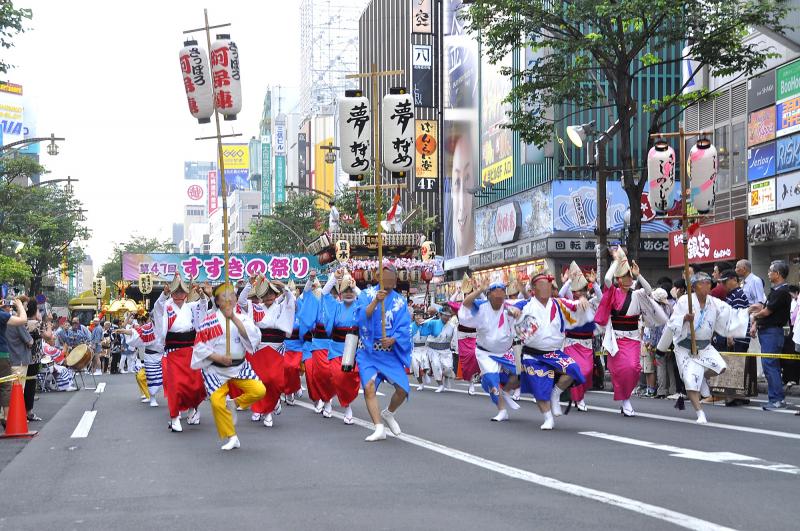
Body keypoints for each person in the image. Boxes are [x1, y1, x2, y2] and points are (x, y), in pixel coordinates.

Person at [191, 284, 266, 451]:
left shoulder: (243, 317)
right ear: (217, 301)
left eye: (232, 295)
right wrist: (218, 357)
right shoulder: (210, 321)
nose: (229, 298)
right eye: (224, 296)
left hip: (240, 367)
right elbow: (199, 347)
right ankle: (232, 437)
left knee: (259, 390)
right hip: (215, 370)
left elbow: (253, 337)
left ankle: (234, 403)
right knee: (217, 403)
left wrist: (233, 318)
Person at [667, 272, 749, 423]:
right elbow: (672, 322)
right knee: (690, 381)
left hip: (705, 346)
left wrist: (748, 312)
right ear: (693, 286)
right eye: (701, 283)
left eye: (708, 283)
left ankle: (702, 375)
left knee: (721, 367)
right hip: (686, 348)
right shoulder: (685, 301)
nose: (705, 286)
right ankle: (700, 413)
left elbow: (730, 314)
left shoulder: (714, 302)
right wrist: (685, 318)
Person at [596, 248, 667, 417]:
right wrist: (616, 260)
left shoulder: (638, 294)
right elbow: (606, 278)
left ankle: (626, 397)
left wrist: (639, 274)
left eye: (630, 276)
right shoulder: (612, 292)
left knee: (634, 368)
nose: (628, 279)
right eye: (624, 276)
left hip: (633, 339)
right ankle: (625, 400)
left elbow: (650, 291)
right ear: (618, 279)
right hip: (616, 339)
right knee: (619, 371)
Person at [517, 270, 592, 430]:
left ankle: (556, 393)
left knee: (573, 369)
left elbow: (575, 306)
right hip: (533, 353)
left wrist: (583, 299)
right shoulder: (526, 304)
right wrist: (513, 312)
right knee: (539, 387)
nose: (545, 289)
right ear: (533, 289)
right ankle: (548, 417)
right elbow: (509, 309)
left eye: (548, 285)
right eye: (541, 285)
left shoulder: (559, 303)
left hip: (554, 352)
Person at [356, 264, 413, 441]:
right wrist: (376, 301)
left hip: (389, 352)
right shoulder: (366, 295)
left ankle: (389, 413)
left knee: (403, 390)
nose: (389, 281)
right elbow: (361, 317)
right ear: (377, 277)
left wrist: (394, 339)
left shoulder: (400, 301)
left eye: (392, 278)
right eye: (385, 277)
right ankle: (378, 427)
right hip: (368, 352)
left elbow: (405, 326)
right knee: (368, 387)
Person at [458, 275, 523, 422]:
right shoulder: (481, 306)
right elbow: (466, 304)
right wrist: (480, 289)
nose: (500, 293)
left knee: (521, 375)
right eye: (496, 290)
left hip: (506, 351)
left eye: (502, 290)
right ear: (489, 294)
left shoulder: (510, 306)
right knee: (493, 382)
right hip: (485, 353)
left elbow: (530, 303)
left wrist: (518, 312)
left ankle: (506, 391)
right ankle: (502, 410)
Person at [237, 276, 295, 428]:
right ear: (261, 296)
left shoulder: (281, 307)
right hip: (260, 348)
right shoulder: (256, 308)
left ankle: (273, 403)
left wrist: (284, 287)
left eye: (271, 293)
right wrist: (249, 285)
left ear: (276, 295)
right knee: (262, 381)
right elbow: (242, 302)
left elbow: (291, 301)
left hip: (277, 348)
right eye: (265, 294)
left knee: (275, 381)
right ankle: (266, 411)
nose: (268, 296)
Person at [154, 276, 209, 432]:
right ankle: (175, 417)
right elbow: (157, 308)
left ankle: (193, 409)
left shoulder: (191, 306)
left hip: (190, 351)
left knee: (195, 385)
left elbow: (203, 306)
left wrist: (203, 294)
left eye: (181, 293)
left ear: (186, 294)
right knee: (175, 386)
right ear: (171, 294)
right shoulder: (166, 306)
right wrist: (163, 295)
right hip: (173, 352)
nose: (178, 296)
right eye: (175, 293)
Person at [558, 262, 602, 411]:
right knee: (575, 370)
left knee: (588, 370)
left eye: (583, 290)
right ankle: (579, 399)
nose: (581, 293)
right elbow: (560, 295)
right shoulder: (569, 303)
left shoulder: (590, 303)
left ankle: (579, 395)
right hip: (571, 343)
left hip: (587, 344)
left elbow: (601, 299)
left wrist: (594, 283)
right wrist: (569, 281)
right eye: (578, 290)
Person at [749, 260, 792, 411]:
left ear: (778, 274)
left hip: (772, 332)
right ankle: (775, 398)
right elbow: (766, 310)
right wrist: (756, 323)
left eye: (770, 271)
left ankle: (777, 399)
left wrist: (754, 317)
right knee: (770, 365)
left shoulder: (782, 292)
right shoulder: (776, 291)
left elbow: (767, 311)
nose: (768, 273)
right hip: (768, 331)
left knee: (770, 365)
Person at [324, 269, 362, 424]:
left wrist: (355, 287)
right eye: (345, 290)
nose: (348, 293)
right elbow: (325, 294)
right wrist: (335, 278)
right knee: (336, 376)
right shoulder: (336, 306)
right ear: (340, 293)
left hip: (351, 349)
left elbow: (367, 298)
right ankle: (338, 404)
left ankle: (347, 405)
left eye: (350, 290)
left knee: (347, 378)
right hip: (335, 348)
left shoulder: (359, 305)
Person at [115, 312, 163, 407]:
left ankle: (175, 398)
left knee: (169, 378)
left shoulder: (165, 325)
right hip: (149, 357)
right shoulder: (146, 328)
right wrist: (124, 331)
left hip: (164, 355)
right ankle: (151, 397)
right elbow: (133, 332)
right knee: (146, 377)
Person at [2, 298, 31, 425]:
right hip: (13, 359)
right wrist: (20, 306)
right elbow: (29, 341)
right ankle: (11, 418)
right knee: (11, 389)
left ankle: (4, 416)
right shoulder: (7, 319)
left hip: (9, 359)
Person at [426, 306, 457, 392]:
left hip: (446, 350)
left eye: (448, 316)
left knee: (448, 367)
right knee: (436, 367)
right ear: (440, 315)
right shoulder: (432, 323)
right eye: (445, 315)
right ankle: (440, 385)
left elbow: (454, 339)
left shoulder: (452, 326)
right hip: (433, 349)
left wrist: (455, 348)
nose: (447, 317)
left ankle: (446, 378)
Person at [410, 310, 432, 391]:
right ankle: (420, 383)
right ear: (414, 316)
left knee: (425, 363)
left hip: (424, 348)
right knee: (416, 366)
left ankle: (425, 373)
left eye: (420, 315)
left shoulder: (427, 324)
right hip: (414, 349)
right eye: (416, 315)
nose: (418, 317)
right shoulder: (411, 326)